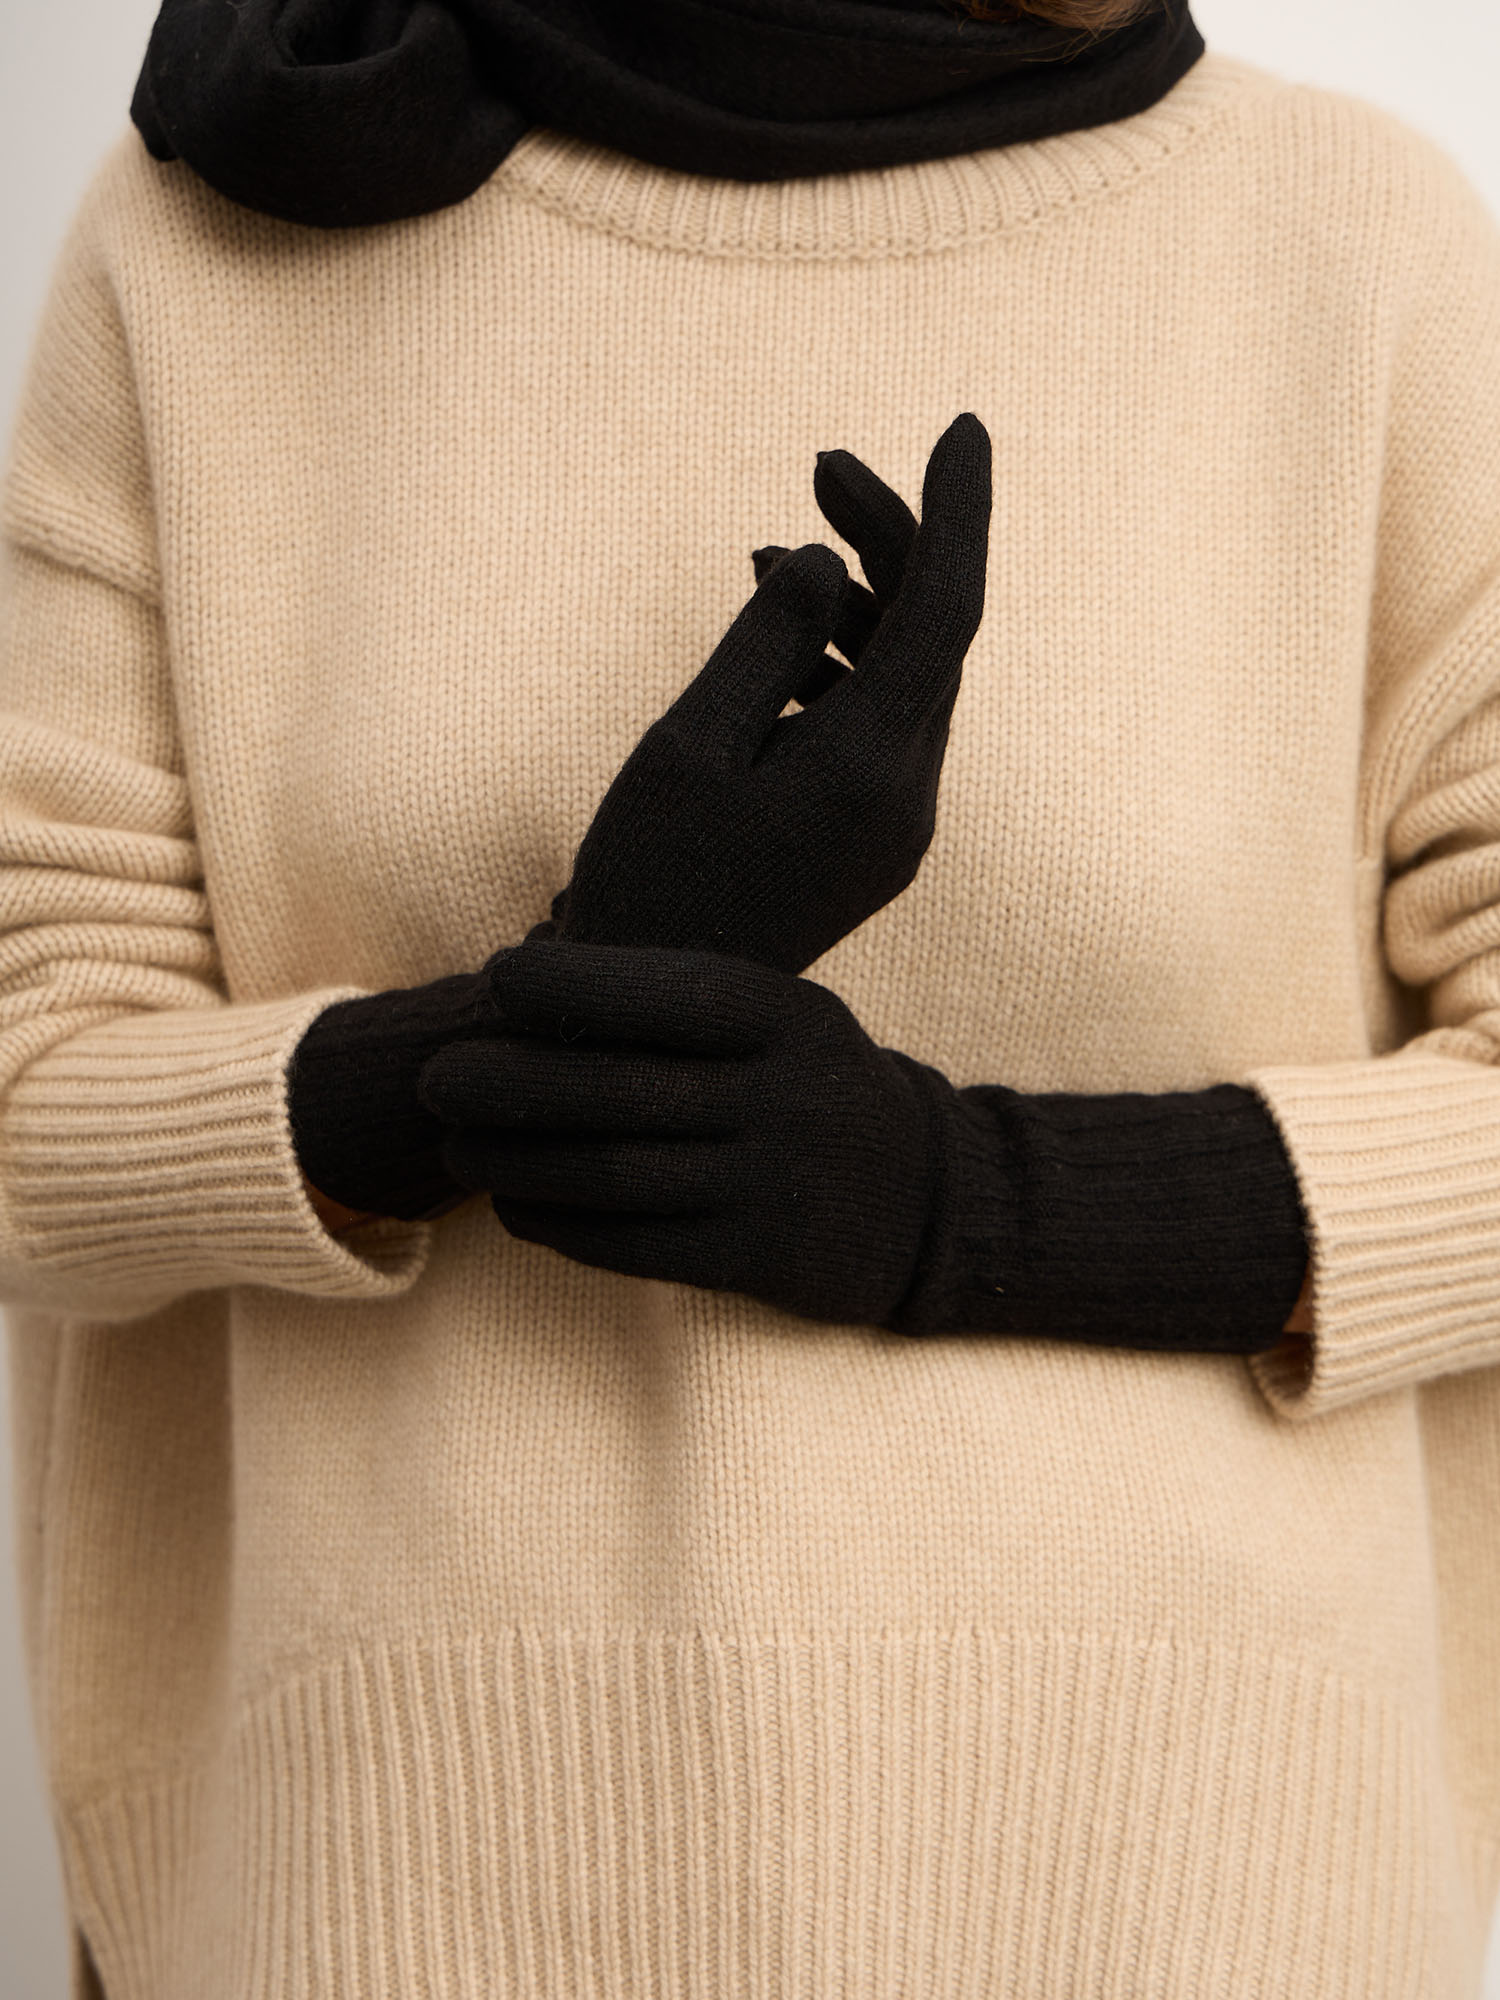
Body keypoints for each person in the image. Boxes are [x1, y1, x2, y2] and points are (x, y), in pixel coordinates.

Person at [2, 0, 1498, 1992]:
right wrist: (511, 1047)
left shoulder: (1359, 249)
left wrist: (952, 1200)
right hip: (406, 1886)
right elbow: (34, 1095)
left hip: (1203, 1885)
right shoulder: (221, 229)